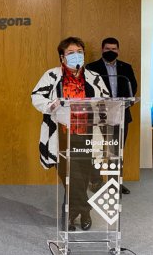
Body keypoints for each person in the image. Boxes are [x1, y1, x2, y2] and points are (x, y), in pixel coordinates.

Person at [31, 37, 110, 231]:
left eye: (80, 52)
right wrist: (51, 105)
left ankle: (74, 212)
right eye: (71, 52)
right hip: (61, 134)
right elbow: (36, 97)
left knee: (80, 175)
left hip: (87, 133)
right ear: (62, 57)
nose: (77, 56)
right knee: (69, 174)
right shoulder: (51, 76)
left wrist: (98, 106)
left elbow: (107, 100)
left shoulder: (94, 77)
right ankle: (83, 210)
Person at [86, 37, 137, 195]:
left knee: (117, 150)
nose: (111, 52)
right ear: (102, 50)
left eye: (114, 49)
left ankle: (116, 183)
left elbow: (132, 87)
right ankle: (96, 182)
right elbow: (88, 89)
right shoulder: (92, 67)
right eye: (107, 49)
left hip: (119, 114)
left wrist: (126, 101)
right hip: (98, 115)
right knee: (97, 150)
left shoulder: (126, 67)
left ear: (118, 50)